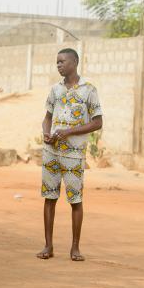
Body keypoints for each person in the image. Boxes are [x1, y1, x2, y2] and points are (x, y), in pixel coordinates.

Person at [37, 48, 103, 262]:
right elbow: (47, 117)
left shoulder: (88, 90)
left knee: (75, 200)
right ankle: (48, 245)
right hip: (51, 153)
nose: (58, 65)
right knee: (49, 198)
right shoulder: (55, 90)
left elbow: (97, 122)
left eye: (62, 61)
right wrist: (46, 133)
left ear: (74, 62)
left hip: (74, 155)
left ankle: (75, 247)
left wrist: (69, 132)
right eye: (57, 62)